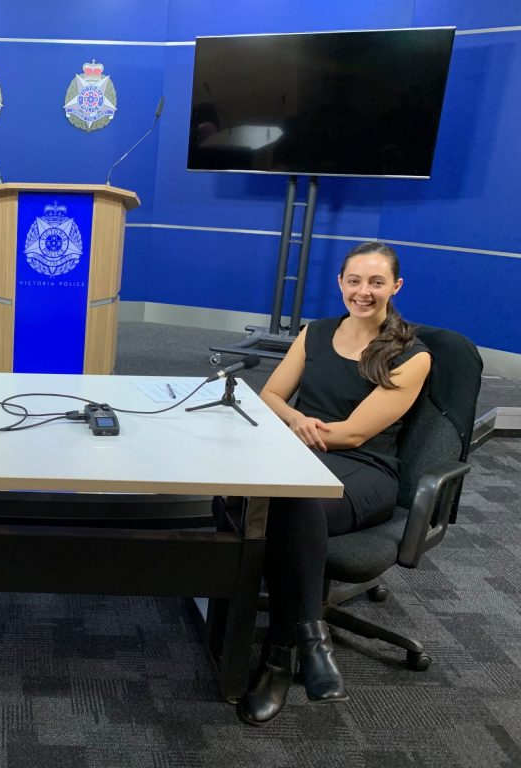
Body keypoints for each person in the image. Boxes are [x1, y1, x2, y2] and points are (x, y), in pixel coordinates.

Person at [238, 241, 432, 725]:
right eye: (354, 281)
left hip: (365, 470)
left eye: (376, 282)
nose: (363, 292)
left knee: (290, 498)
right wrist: (296, 418)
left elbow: (356, 432)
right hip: (299, 455)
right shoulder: (315, 333)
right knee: (287, 499)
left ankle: (278, 659)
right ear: (340, 283)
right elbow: (271, 395)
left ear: (395, 287)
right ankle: (311, 635)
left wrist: (300, 426)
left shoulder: (411, 355)